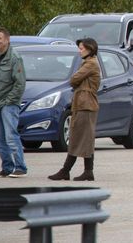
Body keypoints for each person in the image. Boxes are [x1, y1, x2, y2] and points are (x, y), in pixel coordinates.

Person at [49, 37, 101, 181]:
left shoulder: (90, 64)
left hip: (86, 104)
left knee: (80, 138)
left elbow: (73, 79)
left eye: (81, 48)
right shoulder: (87, 63)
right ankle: (85, 171)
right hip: (82, 104)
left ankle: (68, 170)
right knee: (80, 138)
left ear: (90, 49)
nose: (80, 51)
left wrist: (76, 81)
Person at [0, 27, 27, 178]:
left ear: (7, 40)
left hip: (8, 104)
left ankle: (20, 167)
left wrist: (8, 101)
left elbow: (20, 83)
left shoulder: (15, 58)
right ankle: (7, 167)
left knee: (11, 136)